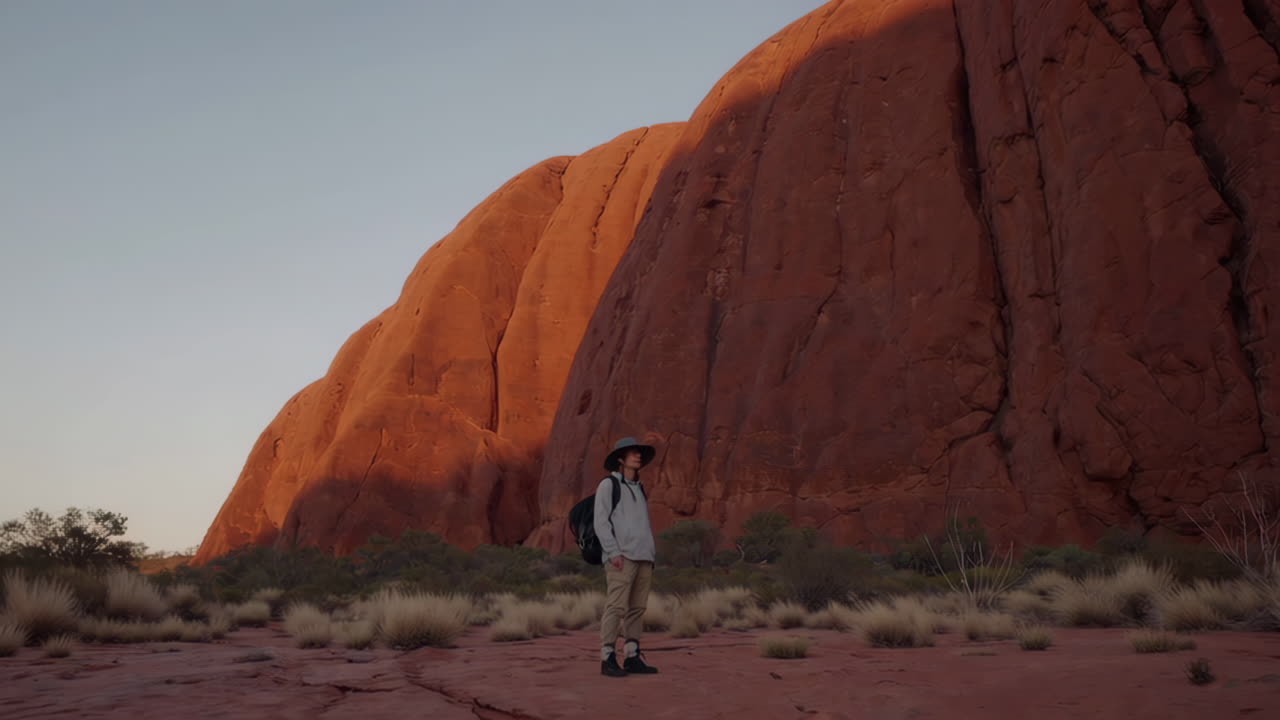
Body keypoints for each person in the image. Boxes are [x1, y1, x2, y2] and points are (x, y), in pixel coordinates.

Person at [595, 436, 660, 677]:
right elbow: (600, 522)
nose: (638, 456)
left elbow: (641, 524)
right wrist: (613, 552)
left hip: (644, 556)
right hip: (621, 557)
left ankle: (632, 656)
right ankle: (608, 658)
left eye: (639, 453)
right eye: (632, 453)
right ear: (620, 459)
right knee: (616, 606)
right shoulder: (608, 486)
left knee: (637, 608)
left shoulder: (639, 487)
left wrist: (651, 553)